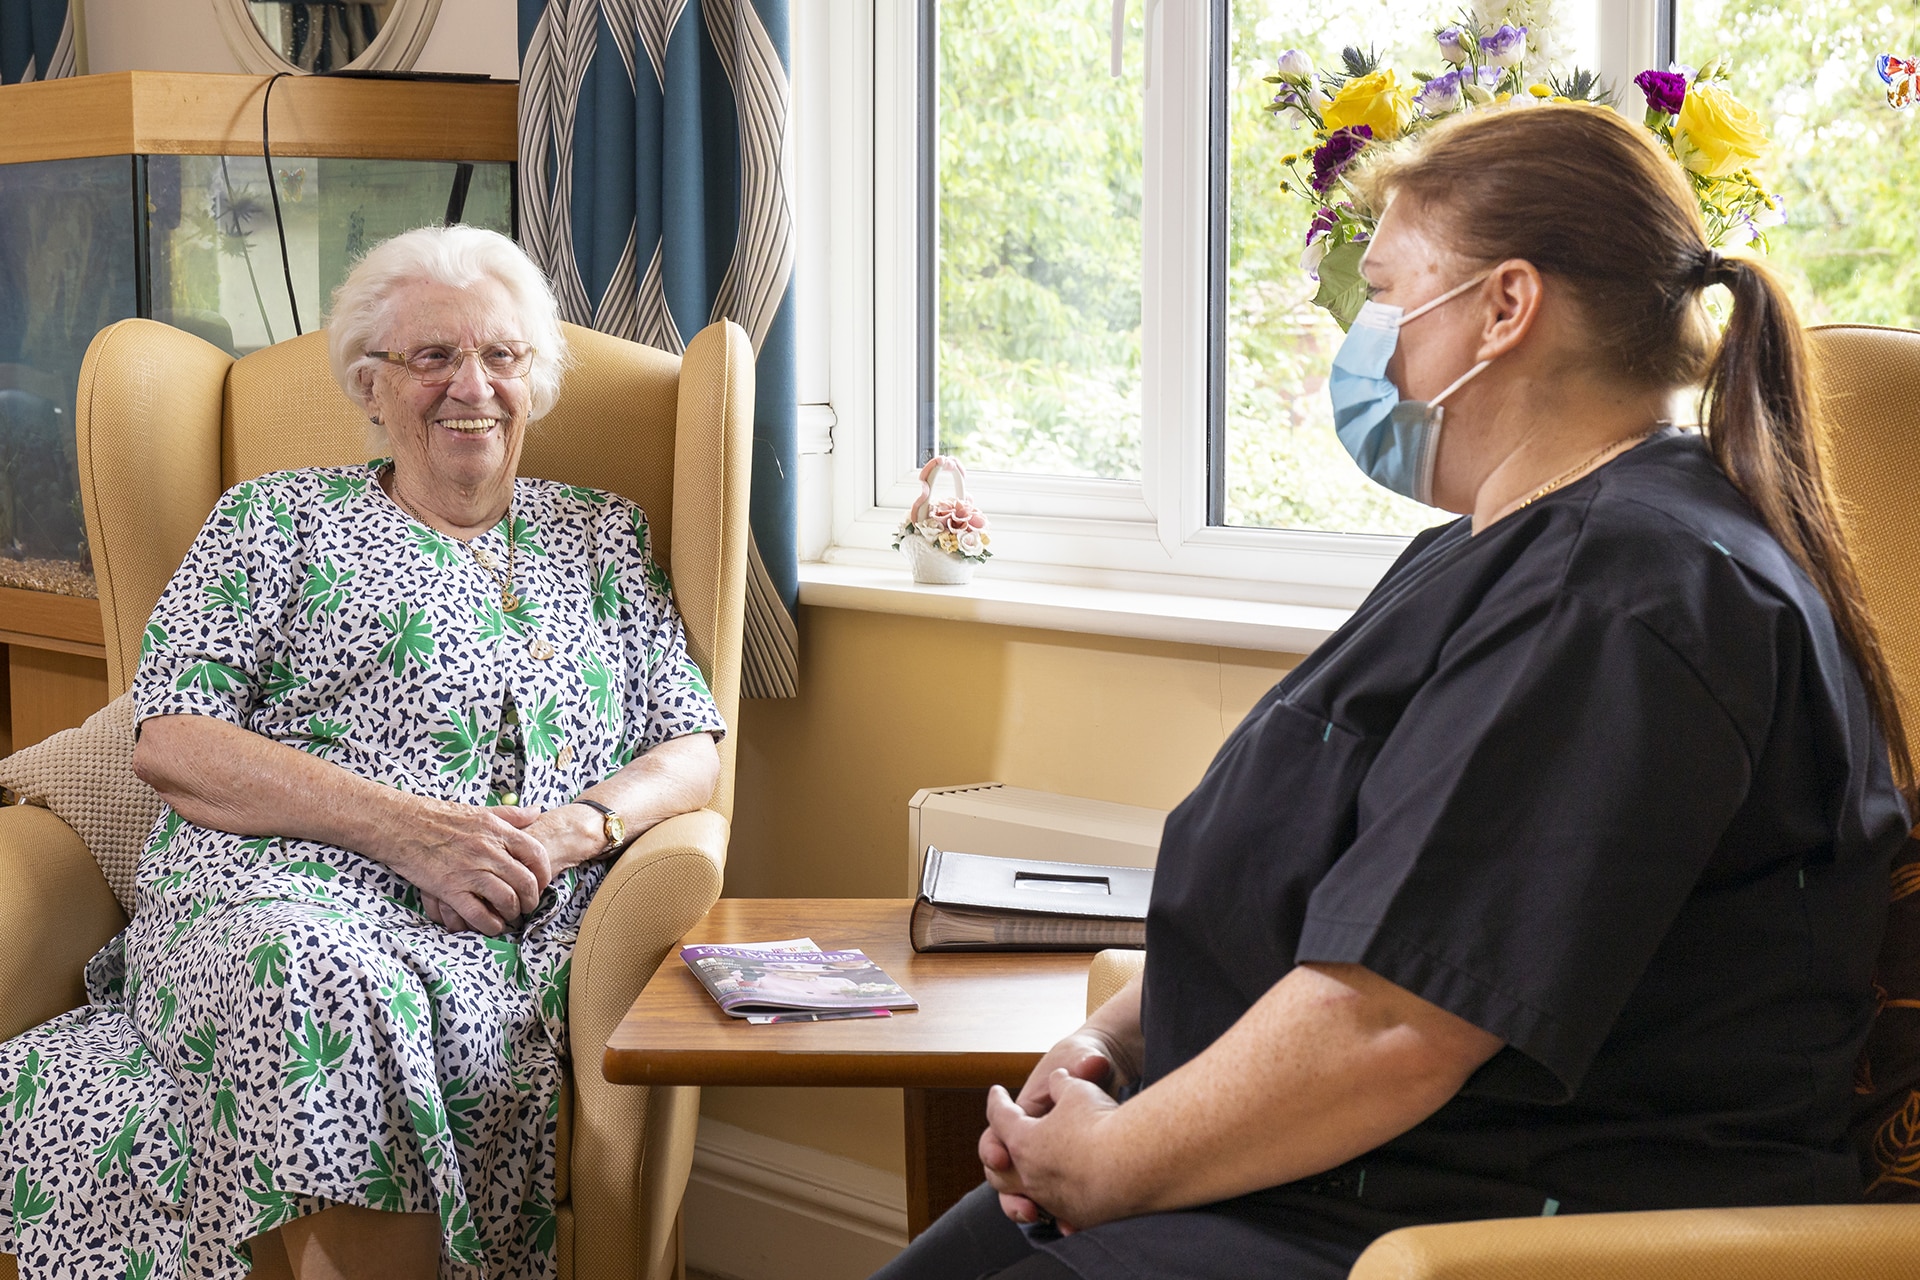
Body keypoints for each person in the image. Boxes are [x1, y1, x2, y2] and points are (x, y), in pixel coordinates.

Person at [872, 104, 1913, 1280]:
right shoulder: (1498, 552)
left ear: (1506, 306)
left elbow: (1397, 1019)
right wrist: (1104, 1042)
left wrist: (1114, 1164)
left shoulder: (1630, 594)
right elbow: (1319, 896)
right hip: (1311, 1175)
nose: (1360, 338)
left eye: (1383, 289)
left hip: (1467, 1219)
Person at [0, 225, 725, 1280]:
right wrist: (412, 832)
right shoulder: (272, 520)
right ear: (372, 386)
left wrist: (574, 830)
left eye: (501, 356)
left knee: (363, 995)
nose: (471, 385)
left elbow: (691, 745)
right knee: (313, 967)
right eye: (432, 358)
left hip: (493, 924)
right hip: (260, 900)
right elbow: (172, 738)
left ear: (537, 380)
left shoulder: (603, 537)